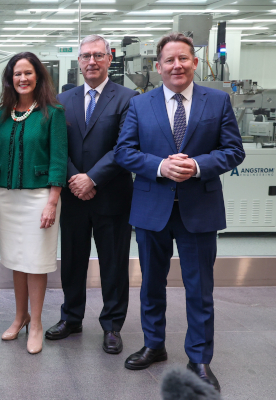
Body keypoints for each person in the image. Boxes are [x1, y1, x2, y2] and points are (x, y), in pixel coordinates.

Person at [115, 32, 244, 393]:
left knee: (199, 288)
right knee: (151, 285)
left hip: (199, 209)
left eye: (183, 59)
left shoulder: (217, 101)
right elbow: (124, 151)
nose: (177, 66)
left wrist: (197, 165)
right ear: (158, 67)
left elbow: (233, 151)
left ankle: (199, 358)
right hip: (152, 207)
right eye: (169, 60)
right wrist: (160, 166)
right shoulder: (141, 104)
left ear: (195, 62)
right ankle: (154, 345)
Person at [46, 34, 137, 355]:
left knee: (113, 264)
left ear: (110, 58)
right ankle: (71, 317)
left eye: (98, 55)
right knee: (72, 261)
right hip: (73, 197)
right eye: (86, 56)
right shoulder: (63, 100)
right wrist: (75, 178)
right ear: (79, 61)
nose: (91, 62)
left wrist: (92, 178)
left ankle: (112, 326)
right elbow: (58, 146)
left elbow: (125, 147)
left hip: (112, 197)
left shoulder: (128, 98)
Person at [0, 52, 67, 355]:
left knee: (36, 262)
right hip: (7, 197)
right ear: (10, 79)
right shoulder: (4, 111)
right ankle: (20, 317)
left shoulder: (52, 112)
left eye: (28, 73)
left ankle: (36, 324)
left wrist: (52, 202)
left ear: (38, 76)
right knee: (17, 260)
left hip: (39, 197)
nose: (22, 78)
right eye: (17, 74)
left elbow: (58, 160)